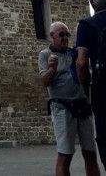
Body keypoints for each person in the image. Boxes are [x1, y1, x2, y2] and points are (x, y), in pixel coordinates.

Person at [40, 21, 99, 176]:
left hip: (82, 105)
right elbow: (44, 82)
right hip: (62, 107)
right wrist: (52, 69)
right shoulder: (45, 55)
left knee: (90, 152)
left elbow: (86, 74)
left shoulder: (74, 53)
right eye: (61, 34)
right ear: (52, 36)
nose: (65, 37)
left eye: (67, 34)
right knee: (65, 154)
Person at [77, 0, 106, 168]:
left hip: (102, 89)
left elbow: (81, 63)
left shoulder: (86, 25)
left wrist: (86, 91)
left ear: (92, 3)